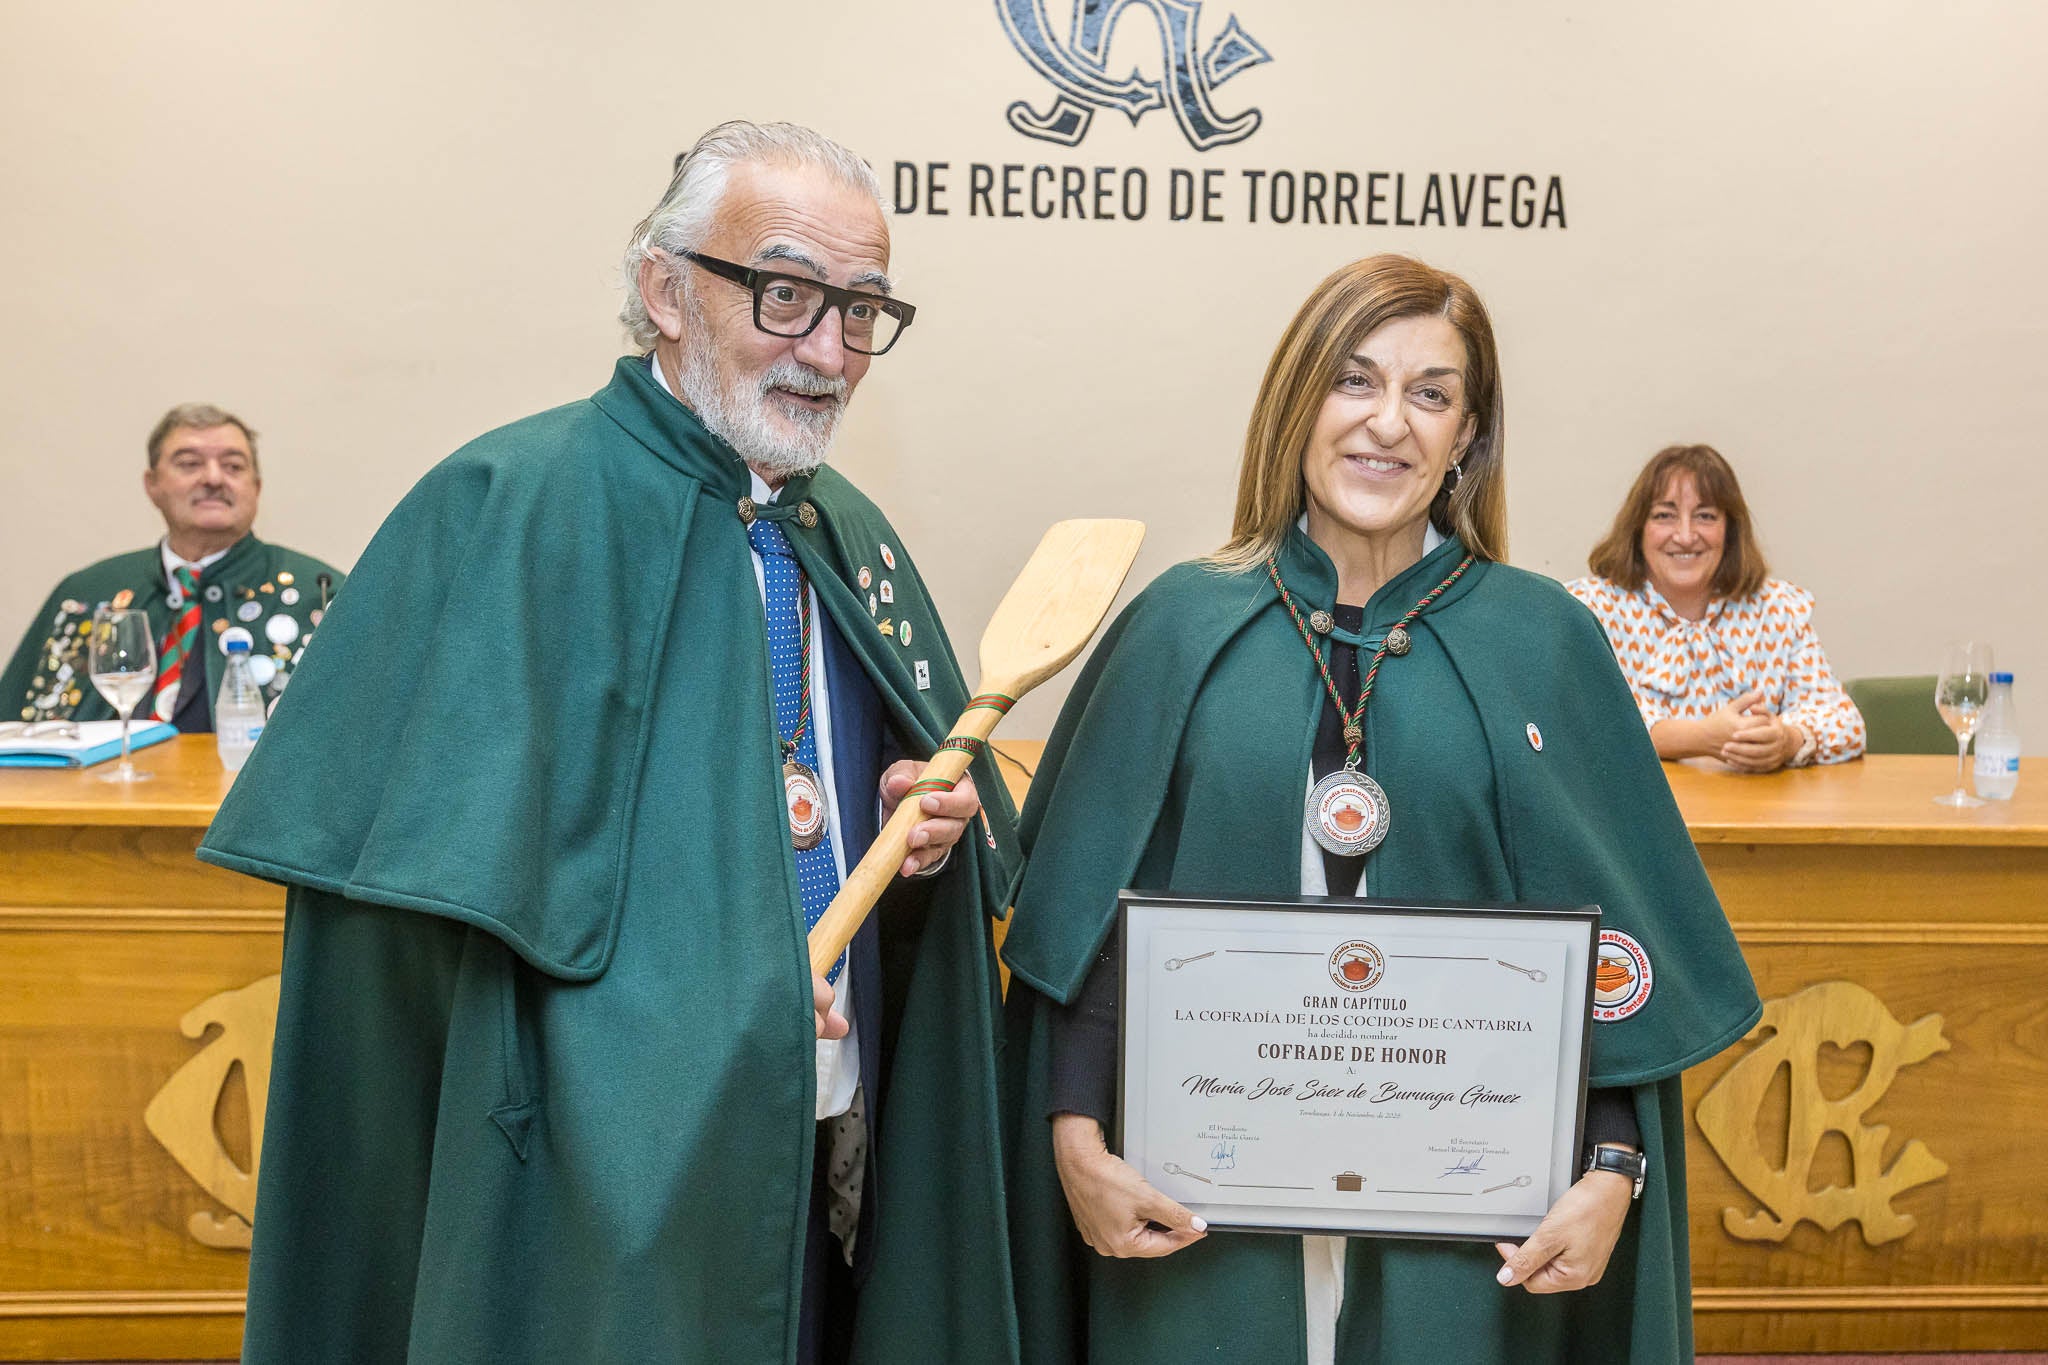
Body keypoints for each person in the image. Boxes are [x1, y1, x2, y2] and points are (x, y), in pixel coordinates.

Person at [197, 121, 1021, 1364]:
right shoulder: (507, 508)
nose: (827, 351)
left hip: (808, 1150)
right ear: (665, 291)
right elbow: (426, 938)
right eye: (787, 295)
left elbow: (842, 812)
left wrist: (922, 835)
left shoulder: (844, 531)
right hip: (590, 1195)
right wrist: (716, 996)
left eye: (860, 310)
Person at [1000, 255, 1760, 1364]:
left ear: (1467, 436)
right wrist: (1075, 1137)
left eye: (1430, 393)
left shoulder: (1542, 641)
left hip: (1469, 1223)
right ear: (1297, 399)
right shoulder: (1178, 624)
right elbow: (1090, 923)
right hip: (1199, 1207)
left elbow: (1609, 954)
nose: (1388, 422)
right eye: (1353, 380)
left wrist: (1611, 1167)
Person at [0, 404, 342, 729]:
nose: (213, 478)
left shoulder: (319, 594)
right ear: (152, 486)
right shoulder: (85, 593)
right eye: (189, 464)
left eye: (234, 466)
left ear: (257, 487)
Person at [1565, 443, 1865, 771]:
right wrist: (1699, 738)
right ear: (1638, 529)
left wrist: (1787, 740)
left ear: (1730, 531)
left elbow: (1845, 723)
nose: (1685, 535)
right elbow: (1577, 722)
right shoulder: (1589, 609)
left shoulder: (1777, 609)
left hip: (1755, 804)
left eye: (1705, 516)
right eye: (1664, 515)